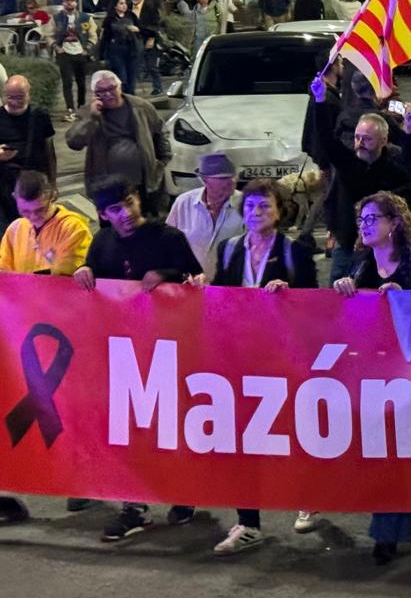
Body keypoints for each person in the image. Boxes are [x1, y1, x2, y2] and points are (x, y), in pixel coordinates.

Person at [75, 179, 203, 543]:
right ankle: (134, 506)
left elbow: (198, 284)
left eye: (129, 203)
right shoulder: (101, 244)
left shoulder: (169, 238)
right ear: (103, 214)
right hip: (122, 354)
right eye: (115, 209)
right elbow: (93, 287)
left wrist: (166, 277)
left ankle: (183, 492)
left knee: (172, 425)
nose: (126, 213)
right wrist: (85, 273)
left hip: (169, 349)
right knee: (127, 431)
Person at [210, 179, 319, 555]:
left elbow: (313, 303)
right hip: (241, 356)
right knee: (244, 437)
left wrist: (287, 295)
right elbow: (218, 297)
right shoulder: (228, 250)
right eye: (251, 206)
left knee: (293, 429)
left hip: (283, 355)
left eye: (264, 206)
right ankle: (248, 522)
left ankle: (308, 497)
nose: (256, 213)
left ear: (279, 210)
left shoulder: (294, 251)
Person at [332, 191, 411, 564]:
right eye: (361, 220)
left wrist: (408, 297)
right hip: (372, 373)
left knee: (395, 450)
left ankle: (386, 533)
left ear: (394, 223)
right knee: (384, 451)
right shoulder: (360, 266)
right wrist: (345, 290)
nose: (364, 226)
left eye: (372, 218)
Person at [309, 74, 411, 280]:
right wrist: (319, 101)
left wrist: (409, 132)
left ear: (383, 141)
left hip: (383, 250)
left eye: (367, 139)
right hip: (347, 245)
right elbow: (326, 140)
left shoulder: (394, 170)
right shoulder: (348, 162)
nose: (360, 143)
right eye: (357, 138)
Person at [66, 70, 171, 215]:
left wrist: (162, 160)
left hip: (143, 184)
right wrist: (91, 118)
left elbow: (160, 131)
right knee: (113, 229)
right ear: (94, 93)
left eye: (111, 88)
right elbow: (74, 142)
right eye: (101, 91)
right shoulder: (88, 112)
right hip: (107, 186)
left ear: (119, 86)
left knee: (147, 226)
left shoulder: (141, 107)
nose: (108, 94)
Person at [165, 152, 245, 278]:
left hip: (230, 285)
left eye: (233, 176)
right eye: (222, 178)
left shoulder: (246, 204)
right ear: (205, 180)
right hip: (190, 283)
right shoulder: (184, 203)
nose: (231, 182)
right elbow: (168, 243)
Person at [0, 170, 92, 275]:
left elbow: (67, 273)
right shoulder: (15, 228)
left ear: (53, 196)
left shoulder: (73, 228)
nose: (33, 217)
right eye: (25, 211)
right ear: (14, 198)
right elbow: (4, 269)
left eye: (40, 210)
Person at [0, 75, 56, 227]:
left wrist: (52, 183)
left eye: (20, 97)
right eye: (10, 97)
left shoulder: (39, 116)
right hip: (6, 184)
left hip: (35, 179)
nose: (15, 102)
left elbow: (49, 151)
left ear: (28, 94)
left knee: (38, 224)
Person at [51, 0, 95, 120]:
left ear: (76, 2)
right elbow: (48, 34)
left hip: (80, 52)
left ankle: (81, 107)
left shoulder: (85, 18)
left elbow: (93, 34)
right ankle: (70, 108)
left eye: (71, 0)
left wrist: (88, 48)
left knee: (81, 82)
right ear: (63, 3)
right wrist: (56, 47)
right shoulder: (56, 18)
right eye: (66, 0)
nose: (69, 2)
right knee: (67, 82)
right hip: (64, 53)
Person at [97, 0, 142, 100]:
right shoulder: (109, 19)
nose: (124, 6)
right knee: (122, 77)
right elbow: (105, 38)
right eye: (121, 3)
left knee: (132, 77)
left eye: (125, 3)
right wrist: (101, 56)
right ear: (115, 6)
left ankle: (131, 99)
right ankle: (122, 97)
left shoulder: (131, 16)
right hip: (116, 50)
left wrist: (137, 30)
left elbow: (141, 30)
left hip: (131, 49)